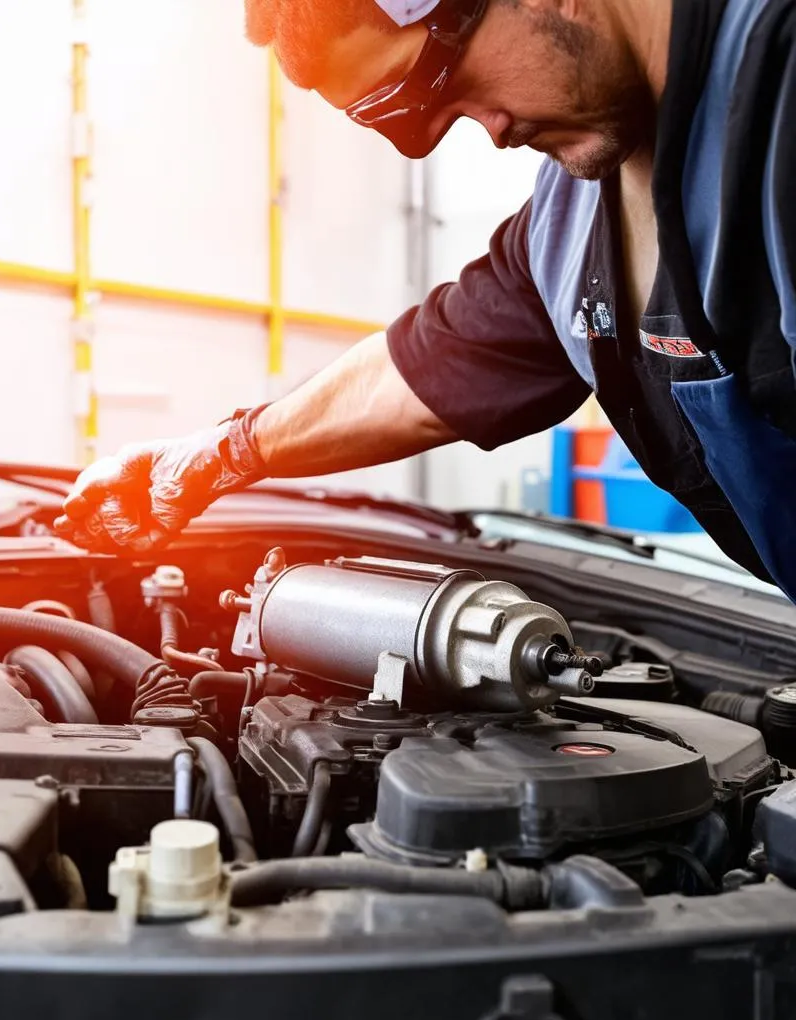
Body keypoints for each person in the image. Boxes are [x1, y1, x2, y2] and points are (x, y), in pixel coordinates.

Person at [54, 0, 796, 597]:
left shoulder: (781, 84)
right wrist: (213, 458)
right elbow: (429, 369)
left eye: (433, 84)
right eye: (397, 120)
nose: (491, 133)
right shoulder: (566, 227)